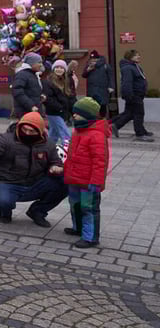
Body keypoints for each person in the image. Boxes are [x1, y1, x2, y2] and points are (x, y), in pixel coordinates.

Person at [0, 111, 67, 226]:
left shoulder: (48, 144)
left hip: (35, 183)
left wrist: (55, 167)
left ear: (40, 131)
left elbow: (55, 161)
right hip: (7, 182)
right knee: (3, 201)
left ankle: (37, 211)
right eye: (24, 129)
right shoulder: (6, 140)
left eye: (32, 131)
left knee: (66, 183)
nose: (27, 133)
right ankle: (5, 211)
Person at [64, 97, 111, 249]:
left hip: (89, 182)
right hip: (74, 179)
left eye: (77, 113)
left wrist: (96, 182)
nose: (74, 116)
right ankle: (78, 228)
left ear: (88, 115)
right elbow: (70, 156)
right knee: (75, 205)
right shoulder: (78, 131)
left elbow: (100, 162)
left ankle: (90, 237)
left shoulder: (96, 135)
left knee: (88, 208)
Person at [112, 50, 153, 142]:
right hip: (134, 94)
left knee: (130, 114)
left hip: (136, 94)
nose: (138, 56)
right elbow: (127, 83)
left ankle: (115, 126)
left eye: (139, 55)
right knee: (139, 114)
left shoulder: (134, 66)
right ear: (129, 57)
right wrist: (129, 95)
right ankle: (140, 134)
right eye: (136, 55)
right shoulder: (128, 68)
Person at [43, 60, 72, 147]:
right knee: (65, 134)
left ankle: (47, 149)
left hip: (62, 111)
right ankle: (68, 150)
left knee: (53, 134)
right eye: (57, 67)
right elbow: (48, 99)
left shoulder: (65, 81)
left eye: (61, 68)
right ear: (53, 69)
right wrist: (60, 108)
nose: (59, 69)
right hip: (54, 112)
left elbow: (69, 97)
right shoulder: (48, 82)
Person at [12, 52, 45, 118]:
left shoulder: (33, 75)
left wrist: (40, 97)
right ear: (31, 63)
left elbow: (31, 92)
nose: (41, 65)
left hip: (33, 111)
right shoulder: (22, 75)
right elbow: (18, 92)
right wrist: (31, 106)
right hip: (26, 112)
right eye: (39, 62)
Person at [82, 50, 114, 114]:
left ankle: (102, 120)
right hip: (91, 90)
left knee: (102, 105)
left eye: (95, 59)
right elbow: (84, 75)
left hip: (102, 89)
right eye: (92, 59)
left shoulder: (105, 66)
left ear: (98, 59)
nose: (93, 61)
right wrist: (88, 70)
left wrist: (111, 86)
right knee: (92, 106)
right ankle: (94, 121)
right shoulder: (88, 65)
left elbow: (111, 77)